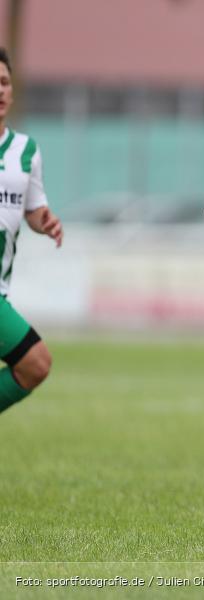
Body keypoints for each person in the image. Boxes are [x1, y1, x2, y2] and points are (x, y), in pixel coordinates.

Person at [0, 48, 61, 417]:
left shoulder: (26, 150)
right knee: (35, 362)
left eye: (4, 82)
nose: (0, 90)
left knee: (34, 366)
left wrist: (45, 222)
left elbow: (33, 210)